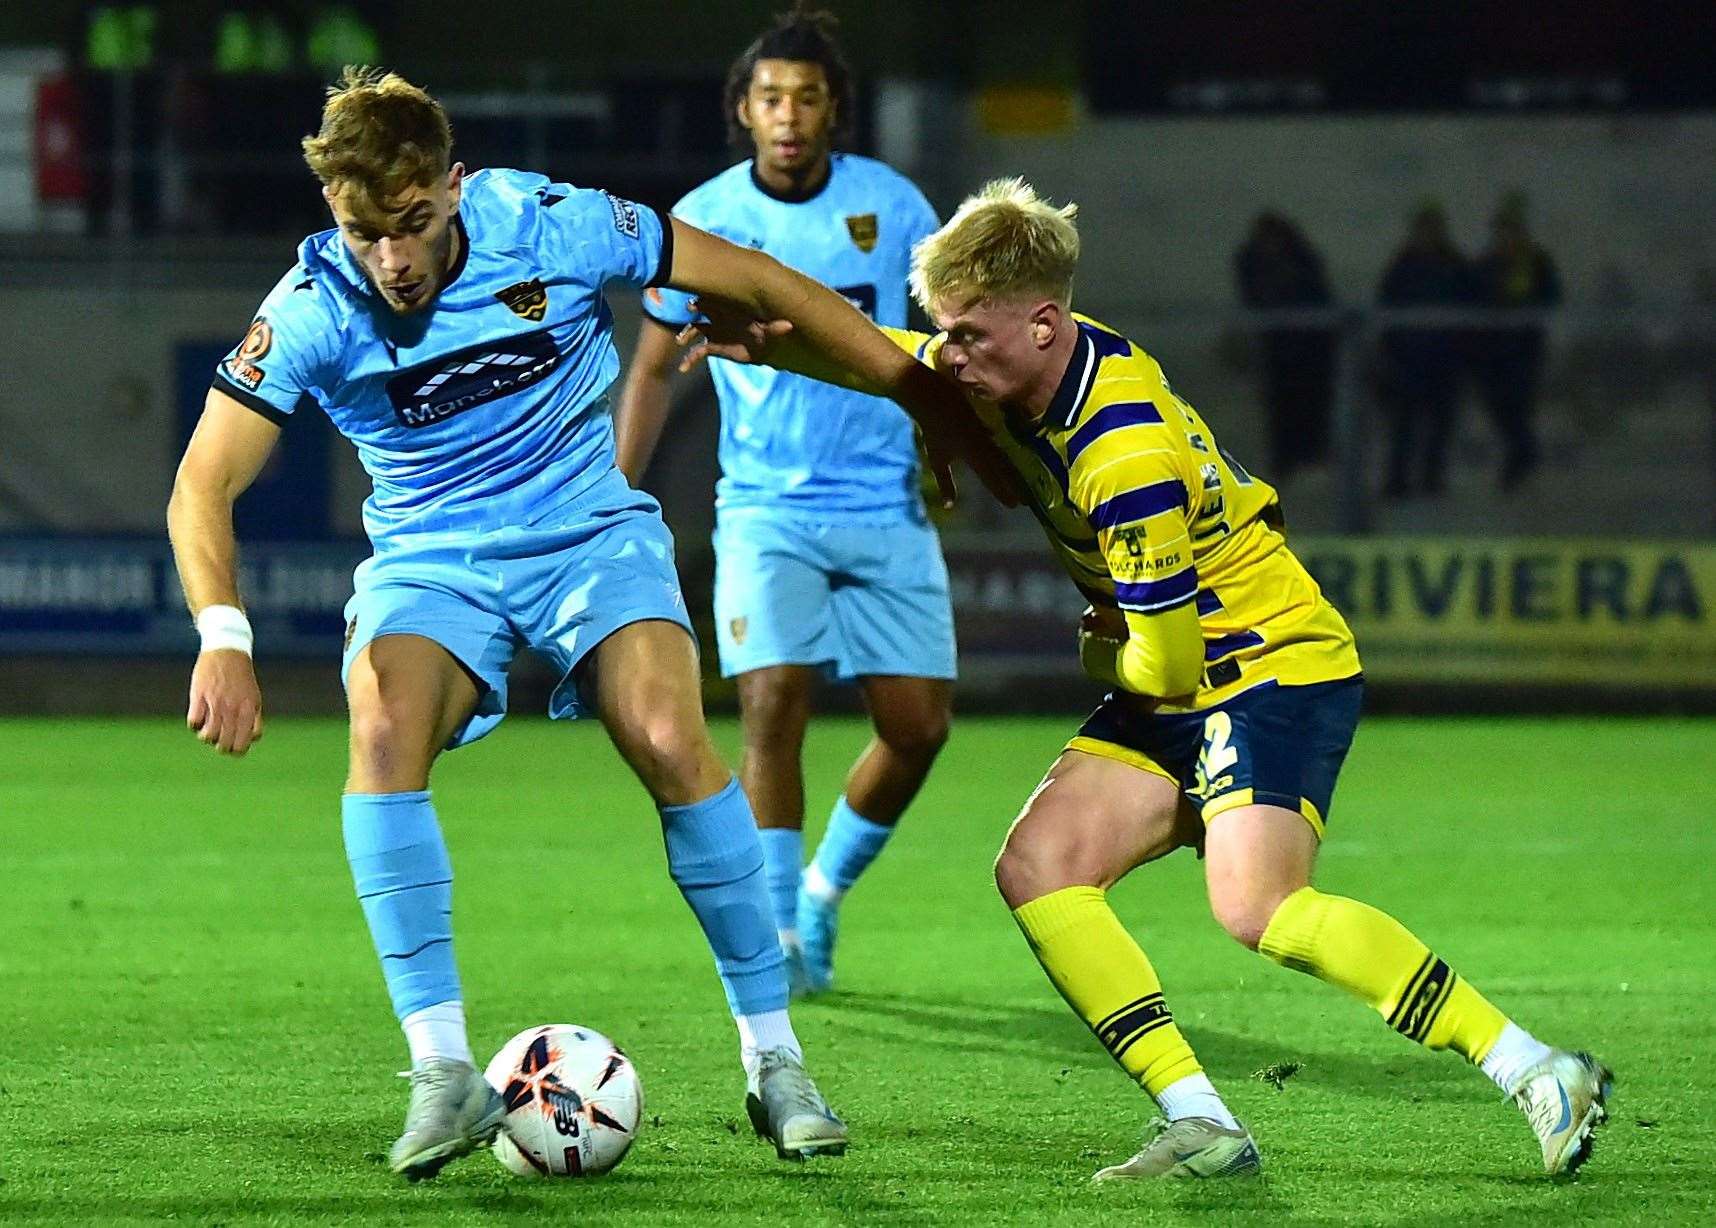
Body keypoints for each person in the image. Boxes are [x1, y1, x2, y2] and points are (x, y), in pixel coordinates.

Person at [679, 178, 1613, 1181]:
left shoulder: (1118, 450)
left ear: (1043, 323)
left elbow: (1157, 665)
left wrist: (1091, 652)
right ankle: (1199, 1117)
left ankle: (1536, 1068)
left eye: (968, 336)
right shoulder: (1032, 362)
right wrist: (780, 341)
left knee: (1260, 907)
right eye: (945, 331)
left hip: (1269, 661)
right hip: (1188, 664)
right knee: (1038, 866)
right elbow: (907, 365)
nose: (953, 355)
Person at [165, 67, 996, 1181]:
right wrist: (226, 635)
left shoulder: (544, 223)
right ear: (336, 215)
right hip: (433, 558)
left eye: (412, 225)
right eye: (368, 233)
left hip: (588, 530)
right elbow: (201, 482)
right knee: (379, 727)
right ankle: (441, 1069)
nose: (394, 260)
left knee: (667, 735)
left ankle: (775, 1058)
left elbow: (755, 276)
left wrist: (920, 390)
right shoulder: (313, 308)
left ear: (453, 188)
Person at [615, 8, 952, 998]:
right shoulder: (706, 218)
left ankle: (820, 891)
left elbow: (939, 343)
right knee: (772, 700)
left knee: (917, 728)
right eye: (772, 98)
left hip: (884, 502)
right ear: (743, 111)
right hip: (763, 504)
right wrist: (614, 492)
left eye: (808, 97)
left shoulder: (893, 209)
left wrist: (947, 439)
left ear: (834, 109)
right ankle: (772, 942)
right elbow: (649, 372)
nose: (790, 115)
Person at [1376, 202, 1472, 498]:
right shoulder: (1404, 266)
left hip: (1442, 361)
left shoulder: (1452, 266)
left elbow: (1467, 309)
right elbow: (1388, 308)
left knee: (1438, 427)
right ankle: (1399, 481)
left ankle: (1431, 481)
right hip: (1409, 361)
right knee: (1405, 426)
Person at [1233, 212, 1336, 482]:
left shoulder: (1297, 265)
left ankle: (1306, 461)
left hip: (1307, 351)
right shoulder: (1262, 265)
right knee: (1283, 411)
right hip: (1281, 353)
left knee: (1306, 408)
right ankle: (1289, 464)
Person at [1470, 191, 1561, 491]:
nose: (1506, 237)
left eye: (1511, 231)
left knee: (1517, 407)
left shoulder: (1535, 264)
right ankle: (1523, 455)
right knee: (1498, 407)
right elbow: (1472, 298)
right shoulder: (1486, 265)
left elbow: (1551, 297)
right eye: (1502, 231)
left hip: (1522, 351)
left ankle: (1520, 460)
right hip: (1491, 353)